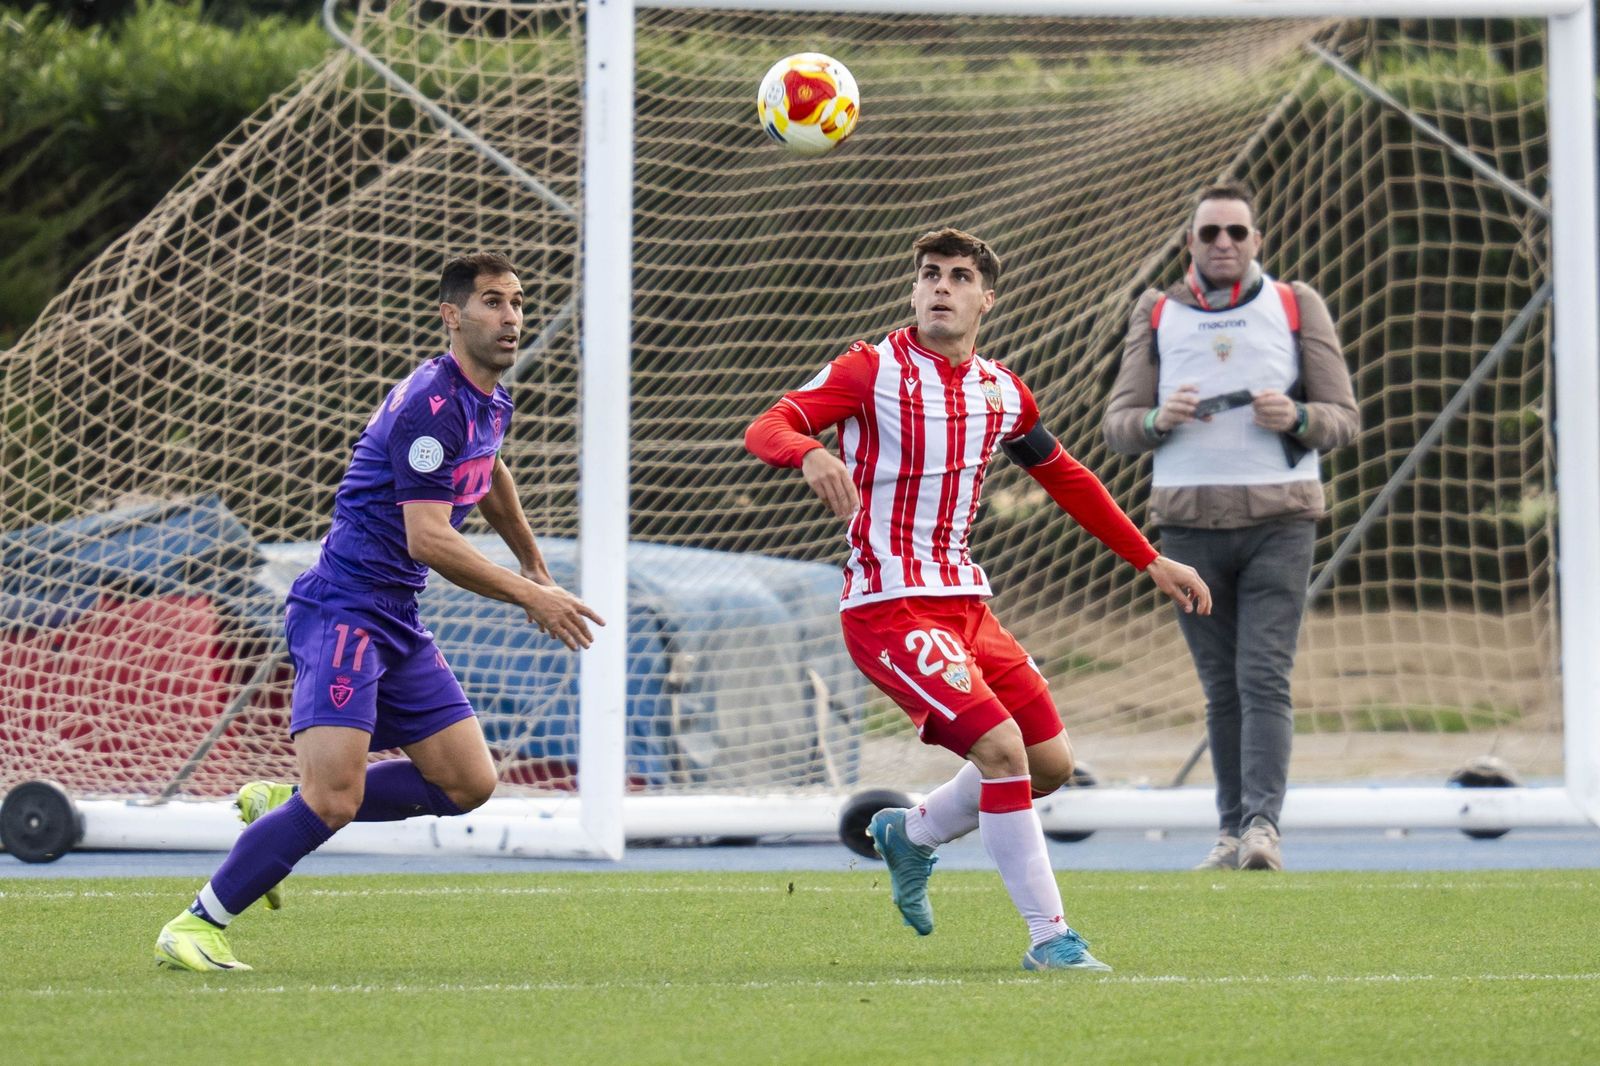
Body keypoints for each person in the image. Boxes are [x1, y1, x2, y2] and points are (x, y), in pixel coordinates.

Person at [745, 227, 1211, 972]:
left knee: (1050, 763)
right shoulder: (871, 369)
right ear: (913, 289)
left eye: (959, 277)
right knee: (999, 750)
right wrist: (808, 450)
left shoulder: (1001, 390)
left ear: (985, 300)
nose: (940, 287)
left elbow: (1067, 477)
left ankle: (913, 833)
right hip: (888, 604)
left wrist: (1149, 558)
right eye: (929, 274)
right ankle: (1050, 938)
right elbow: (769, 423)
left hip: (964, 601)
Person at [154, 252, 604, 971]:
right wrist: (531, 595)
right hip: (345, 612)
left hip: (395, 615)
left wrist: (533, 560)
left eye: (518, 301)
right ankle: (197, 924)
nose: (511, 316)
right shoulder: (431, 402)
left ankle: (285, 803)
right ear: (452, 316)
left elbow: (488, 473)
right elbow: (429, 536)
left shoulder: (486, 400)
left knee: (467, 784)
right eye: (492, 302)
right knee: (332, 800)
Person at [1102, 182, 1358, 871]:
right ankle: (1228, 831)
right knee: (1222, 686)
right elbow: (1119, 425)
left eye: (1236, 233)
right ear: (1190, 241)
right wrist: (1160, 419)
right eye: (1210, 233)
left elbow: (1344, 417)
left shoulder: (1294, 304)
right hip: (1187, 529)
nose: (1223, 244)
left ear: (1257, 241)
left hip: (1282, 520)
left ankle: (1262, 830)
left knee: (1264, 675)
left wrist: (1299, 418)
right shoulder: (1155, 312)